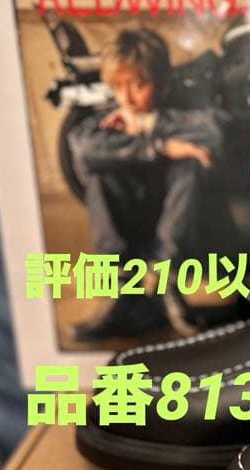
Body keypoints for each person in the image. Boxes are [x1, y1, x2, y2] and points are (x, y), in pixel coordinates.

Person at [67, 25, 233, 342]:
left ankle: (166, 284)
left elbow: (215, 130)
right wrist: (159, 147)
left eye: (138, 85)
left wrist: (149, 125)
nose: (126, 98)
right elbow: (83, 149)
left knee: (189, 163)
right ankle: (122, 295)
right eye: (117, 87)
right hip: (127, 218)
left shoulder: (180, 111)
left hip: (179, 221)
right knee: (101, 174)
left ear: (164, 85)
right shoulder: (109, 118)